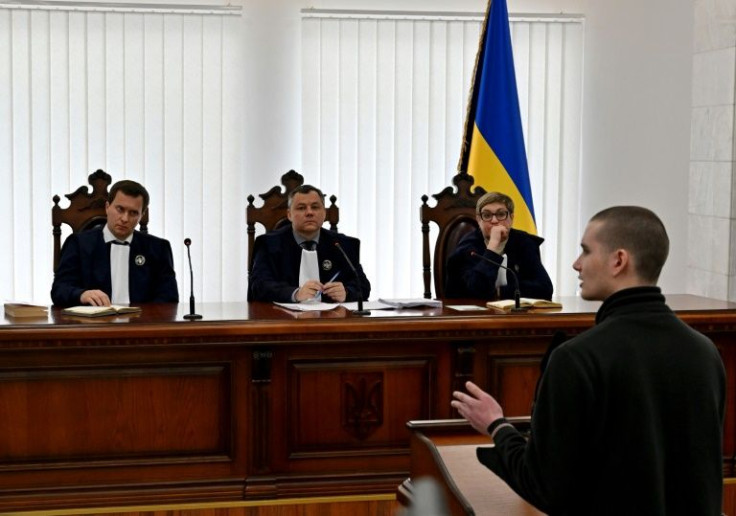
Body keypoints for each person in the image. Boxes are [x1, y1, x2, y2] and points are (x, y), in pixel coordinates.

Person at [451, 206, 726, 515]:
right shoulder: (705, 352)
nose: (576, 264)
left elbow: (545, 487)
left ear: (618, 260)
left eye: (585, 251)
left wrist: (496, 425)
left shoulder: (576, 358)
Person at [51, 180, 179, 307]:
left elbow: (169, 298)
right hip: (93, 325)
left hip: (141, 324)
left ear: (142, 215)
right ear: (107, 207)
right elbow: (59, 289)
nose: (125, 218)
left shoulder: (158, 248)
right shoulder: (78, 244)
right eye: (120, 209)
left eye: (133, 213)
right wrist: (81, 294)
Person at [248, 185, 371, 303]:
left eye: (315, 207)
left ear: (324, 213)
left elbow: (363, 286)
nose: (309, 212)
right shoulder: (268, 244)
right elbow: (259, 286)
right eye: (301, 208)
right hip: (282, 320)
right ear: (289, 215)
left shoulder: (342, 244)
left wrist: (347, 292)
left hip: (331, 319)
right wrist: (295, 294)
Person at [444, 191, 553, 300]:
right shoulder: (469, 247)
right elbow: (476, 290)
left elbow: (545, 289)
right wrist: (493, 247)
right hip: (474, 315)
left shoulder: (522, 242)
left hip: (515, 314)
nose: (494, 220)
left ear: (511, 218)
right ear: (479, 220)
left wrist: (500, 291)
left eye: (501, 214)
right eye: (487, 215)